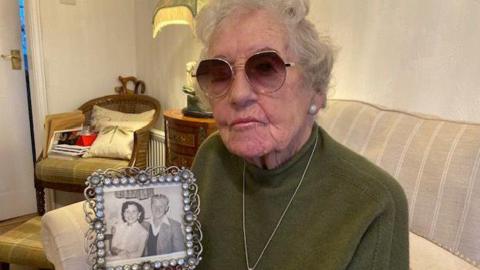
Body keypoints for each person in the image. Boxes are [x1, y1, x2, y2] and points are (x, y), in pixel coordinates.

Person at [190, 0, 409, 269]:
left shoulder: (373, 203)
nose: (238, 95)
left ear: (315, 89)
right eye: (220, 73)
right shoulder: (211, 158)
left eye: (265, 67)